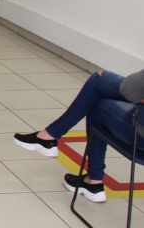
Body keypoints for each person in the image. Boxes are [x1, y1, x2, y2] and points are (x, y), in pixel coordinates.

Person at [14, 70, 144, 203]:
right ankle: (49, 136)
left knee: (97, 87)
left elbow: (129, 90)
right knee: (103, 86)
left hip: (138, 136)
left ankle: (93, 179)